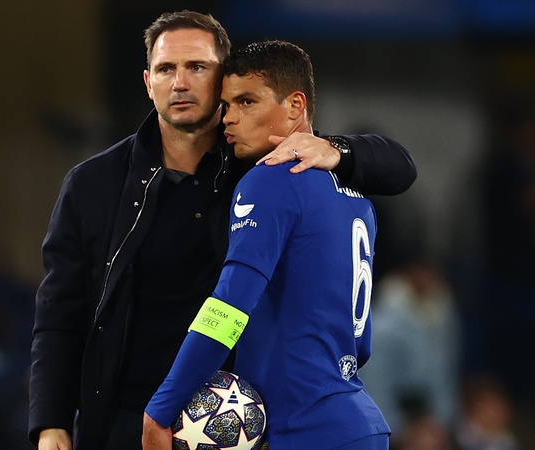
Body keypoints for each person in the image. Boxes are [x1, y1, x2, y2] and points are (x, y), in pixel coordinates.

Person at [30, 11, 415, 450]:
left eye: (197, 67)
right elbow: (59, 313)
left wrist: (338, 148)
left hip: (232, 423)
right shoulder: (93, 184)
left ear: (222, 78)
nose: (180, 82)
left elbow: (400, 166)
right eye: (165, 69)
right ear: (147, 81)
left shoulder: (272, 164)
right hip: (128, 420)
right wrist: (50, 420)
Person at [142, 39, 390, 450]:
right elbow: (359, 341)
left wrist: (162, 408)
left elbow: (229, 306)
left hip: (302, 427)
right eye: (226, 105)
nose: (229, 119)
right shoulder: (353, 190)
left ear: (295, 106)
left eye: (246, 102)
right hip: (356, 421)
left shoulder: (271, 178)